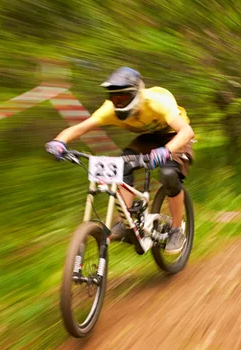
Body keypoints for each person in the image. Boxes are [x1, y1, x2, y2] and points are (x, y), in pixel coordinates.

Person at [45, 67, 194, 254]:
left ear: (136, 95)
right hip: (148, 138)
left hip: (175, 135)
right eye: (114, 98)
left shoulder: (157, 101)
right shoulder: (109, 109)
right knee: (121, 165)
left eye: (123, 97)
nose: (118, 102)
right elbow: (79, 128)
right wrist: (59, 141)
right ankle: (126, 222)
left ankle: (177, 229)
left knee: (168, 174)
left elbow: (186, 132)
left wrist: (166, 151)